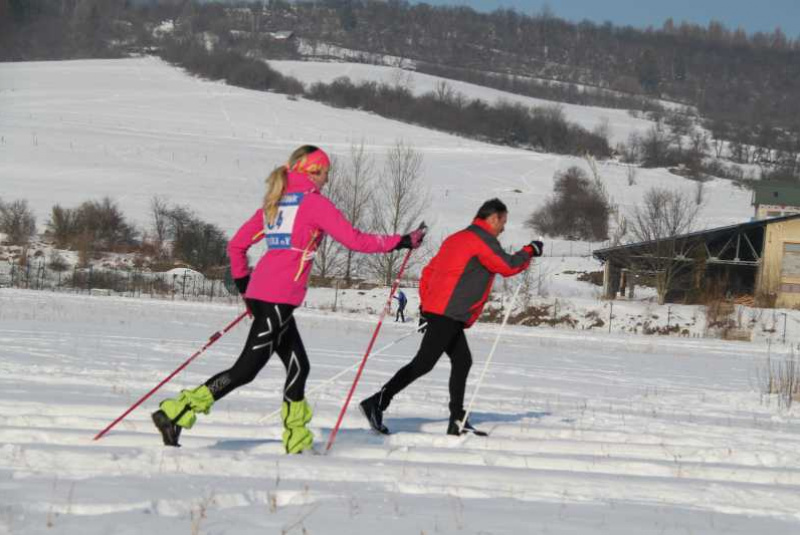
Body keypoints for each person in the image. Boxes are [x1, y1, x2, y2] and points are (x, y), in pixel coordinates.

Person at [152, 145, 426, 453]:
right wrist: (401, 242)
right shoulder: (314, 204)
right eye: (325, 174)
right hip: (277, 298)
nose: (327, 180)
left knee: (299, 366)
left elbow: (236, 246)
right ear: (313, 172)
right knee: (245, 370)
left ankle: (297, 440)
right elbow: (355, 240)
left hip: (267, 295)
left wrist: (246, 290)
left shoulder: (276, 202)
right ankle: (175, 412)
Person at [359, 198, 543, 436]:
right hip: (448, 313)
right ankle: (377, 402)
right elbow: (506, 265)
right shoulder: (482, 240)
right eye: (503, 221)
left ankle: (457, 419)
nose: (504, 227)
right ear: (493, 218)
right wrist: (529, 251)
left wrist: (426, 308)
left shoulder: (457, 238)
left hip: (442, 311)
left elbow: (429, 271)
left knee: (462, 360)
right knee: (423, 363)